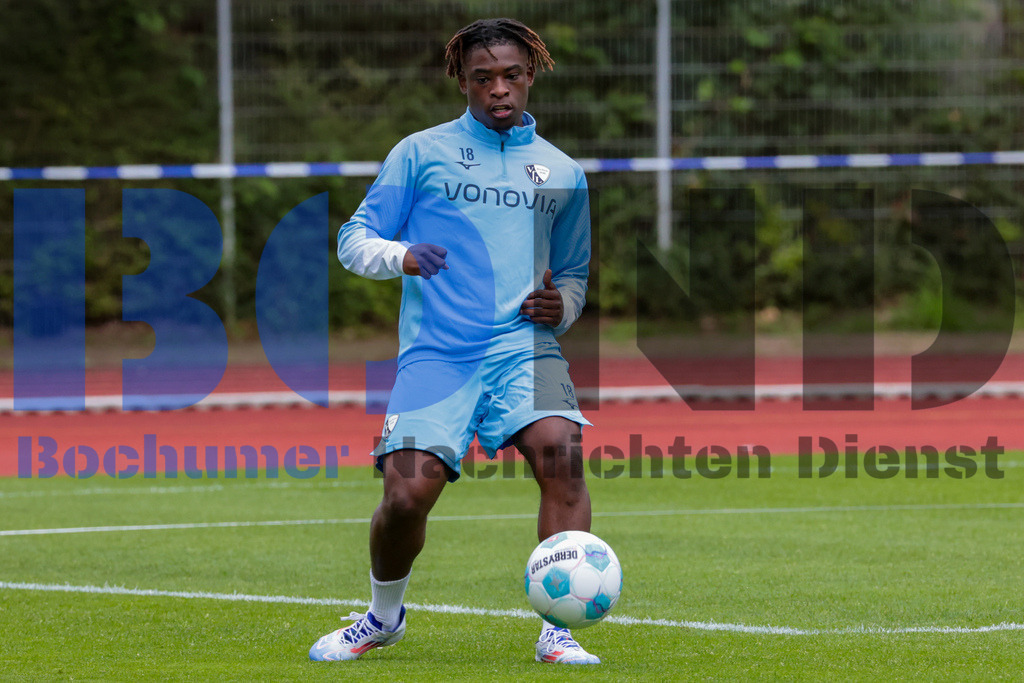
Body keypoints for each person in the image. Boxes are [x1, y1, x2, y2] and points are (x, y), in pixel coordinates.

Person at [309, 17, 598, 665]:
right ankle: (383, 617)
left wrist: (564, 304)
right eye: (483, 78)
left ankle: (558, 628)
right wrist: (402, 256)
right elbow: (355, 240)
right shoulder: (419, 153)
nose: (500, 89)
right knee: (407, 494)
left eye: (512, 76)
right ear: (461, 82)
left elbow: (574, 272)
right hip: (438, 352)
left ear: (532, 76)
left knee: (562, 454)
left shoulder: (562, 172)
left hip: (525, 346)